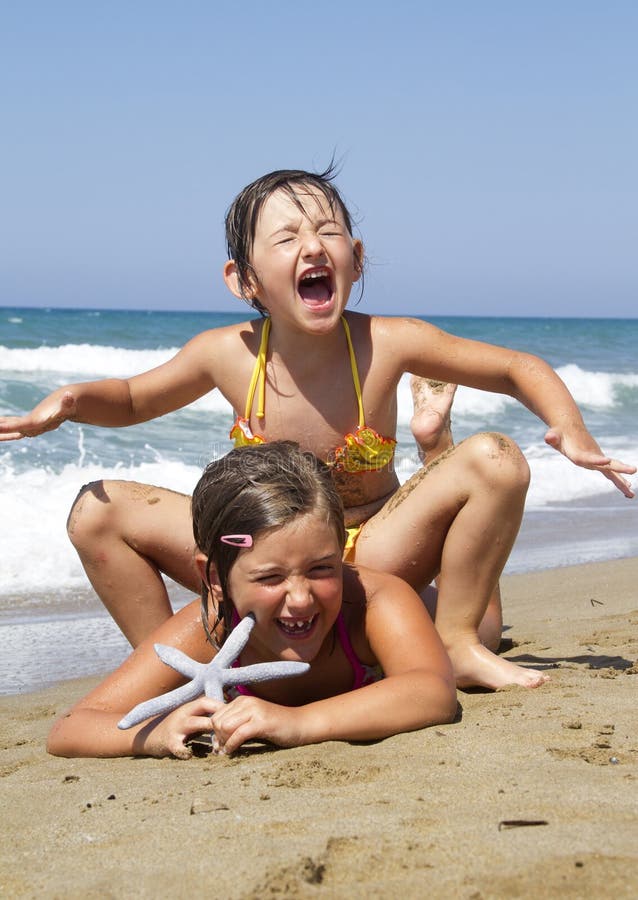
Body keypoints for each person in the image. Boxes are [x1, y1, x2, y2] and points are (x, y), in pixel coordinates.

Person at [1, 166, 634, 692]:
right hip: (263, 557)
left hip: (369, 555)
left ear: (354, 261)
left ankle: (460, 641)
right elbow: (135, 397)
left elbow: (516, 367)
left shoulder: (388, 343)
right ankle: (185, 669)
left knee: (496, 459)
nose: (312, 245)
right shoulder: (227, 353)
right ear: (243, 280)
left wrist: (571, 430)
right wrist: (70, 400)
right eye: (286, 238)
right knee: (95, 512)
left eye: (329, 231)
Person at [46, 442, 457, 759]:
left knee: (483, 631)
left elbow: (432, 691)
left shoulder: (372, 601)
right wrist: (154, 733)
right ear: (213, 578)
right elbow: (71, 728)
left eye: (321, 568)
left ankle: (439, 446)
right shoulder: (210, 628)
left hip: (428, 614)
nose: (300, 598)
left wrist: (298, 723)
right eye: (270, 577)